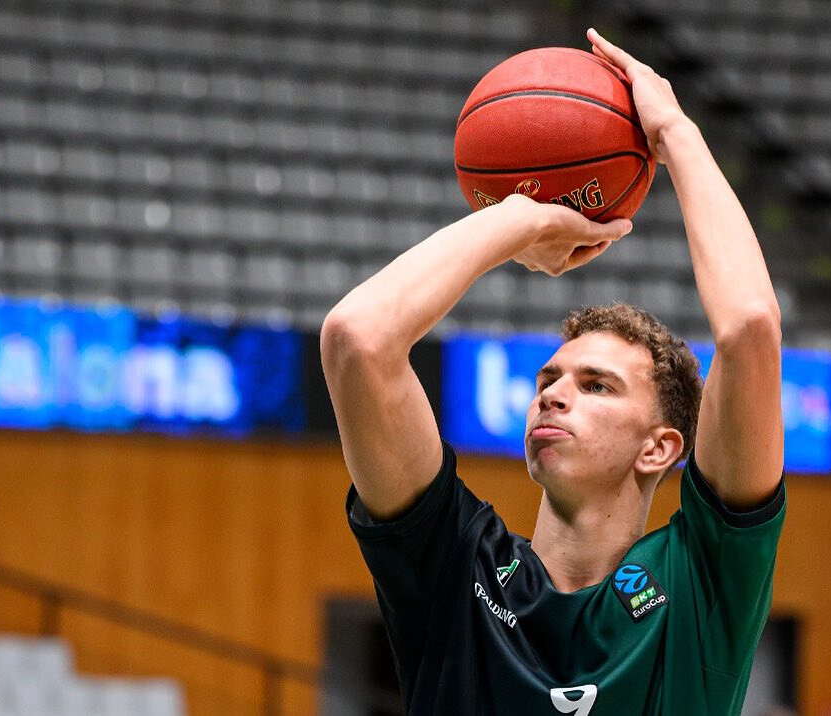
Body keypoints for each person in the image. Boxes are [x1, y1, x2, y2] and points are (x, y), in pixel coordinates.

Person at [320, 28, 785, 716]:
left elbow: (749, 329)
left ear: (660, 447)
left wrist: (675, 133)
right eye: (548, 382)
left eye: (595, 385)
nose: (555, 396)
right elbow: (358, 339)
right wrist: (520, 220)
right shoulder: (456, 566)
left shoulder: (698, 583)